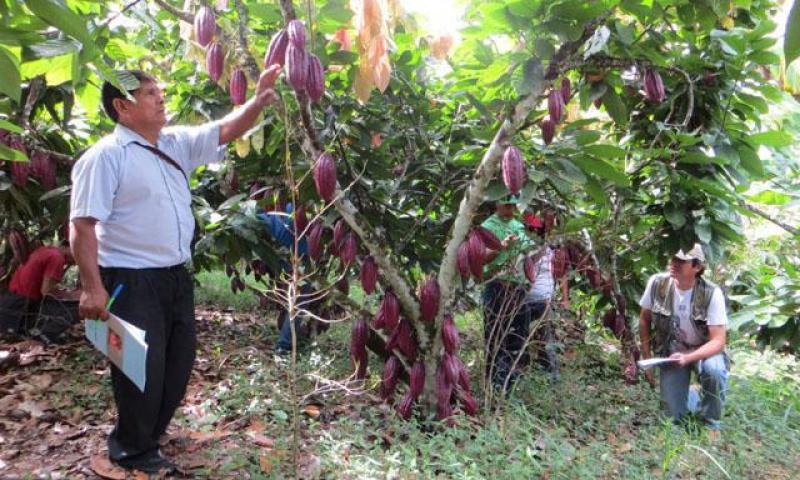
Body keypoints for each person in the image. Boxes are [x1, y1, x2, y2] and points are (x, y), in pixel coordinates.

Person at [69, 66, 280, 473]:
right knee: (139, 367)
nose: (160, 98)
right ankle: (132, 449)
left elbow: (225, 130)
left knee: (178, 362)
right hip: (130, 278)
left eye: (159, 90)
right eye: (149, 93)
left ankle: (150, 433)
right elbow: (82, 225)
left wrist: (257, 101)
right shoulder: (106, 156)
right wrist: (91, 287)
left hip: (174, 275)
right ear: (122, 106)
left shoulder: (174, 143)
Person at [638, 243, 729, 433]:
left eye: (681, 260)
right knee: (672, 419)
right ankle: (692, 396)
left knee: (714, 370)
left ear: (697, 267)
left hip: (703, 351)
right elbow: (644, 319)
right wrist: (646, 356)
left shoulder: (712, 293)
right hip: (672, 352)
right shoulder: (657, 283)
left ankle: (711, 424)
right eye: (673, 258)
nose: (674, 263)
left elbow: (718, 341)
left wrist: (688, 357)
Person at [481, 194, 536, 394]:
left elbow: (527, 256)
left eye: (513, 206)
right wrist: (501, 247)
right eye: (507, 205)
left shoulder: (518, 226)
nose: (511, 209)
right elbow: (481, 258)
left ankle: (511, 385)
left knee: (518, 336)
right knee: (495, 337)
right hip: (496, 286)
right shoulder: (487, 227)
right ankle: (495, 385)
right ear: (497, 204)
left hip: (518, 289)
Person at [256, 202, 314, 354]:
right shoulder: (296, 208)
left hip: (282, 257)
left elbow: (258, 219)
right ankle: (284, 345)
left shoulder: (280, 209)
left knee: (292, 299)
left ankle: (287, 340)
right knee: (299, 302)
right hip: (296, 259)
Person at [0, 243, 80, 343]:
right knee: (75, 308)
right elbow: (47, 292)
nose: (75, 263)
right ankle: (41, 339)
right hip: (21, 306)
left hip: (8, 303)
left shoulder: (42, 250)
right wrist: (72, 296)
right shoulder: (56, 257)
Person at [522, 213, 569, 380]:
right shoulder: (523, 247)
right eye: (531, 230)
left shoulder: (551, 250)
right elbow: (525, 265)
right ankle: (523, 371)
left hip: (544, 300)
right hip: (523, 300)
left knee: (545, 337)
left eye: (537, 230)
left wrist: (565, 299)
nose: (534, 233)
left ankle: (551, 373)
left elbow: (562, 274)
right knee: (521, 336)